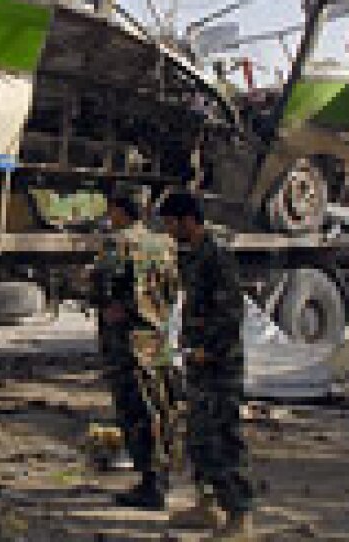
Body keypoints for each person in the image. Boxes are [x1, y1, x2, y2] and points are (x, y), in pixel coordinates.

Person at [155, 191, 254, 539]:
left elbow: (231, 312)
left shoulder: (217, 255)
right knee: (199, 438)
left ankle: (239, 516)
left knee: (224, 438)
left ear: (188, 220)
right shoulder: (195, 255)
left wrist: (209, 350)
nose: (169, 231)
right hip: (199, 363)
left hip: (219, 366)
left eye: (171, 223)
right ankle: (208, 505)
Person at [89, 190, 178, 510]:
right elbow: (173, 288)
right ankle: (162, 475)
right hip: (157, 336)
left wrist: (110, 305)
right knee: (160, 405)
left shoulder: (118, 243)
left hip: (128, 340)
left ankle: (150, 484)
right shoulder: (165, 244)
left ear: (119, 210)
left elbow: (99, 285)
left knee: (135, 410)